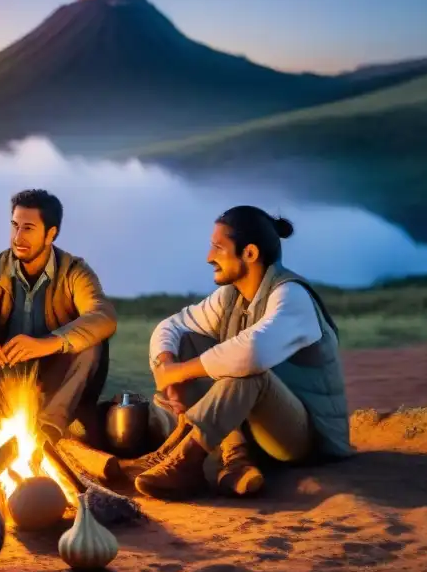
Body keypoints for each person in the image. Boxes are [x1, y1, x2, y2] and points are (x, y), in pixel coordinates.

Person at [132, 205, 354, 501]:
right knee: (188, 342)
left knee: (248, 370)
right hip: (258, 431)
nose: (209, 257)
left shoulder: (291, 296)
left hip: (306, 439)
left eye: (218, 247)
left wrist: (181, 372)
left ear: (249, 253)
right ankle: (236, 460)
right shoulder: (231, 297)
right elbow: (173, 326)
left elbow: (252, 353)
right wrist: (166, 365)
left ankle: (186, 462)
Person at [0, 189, 117, 459]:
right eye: (15, 226)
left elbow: (103, 315)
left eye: (28, 228)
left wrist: (49, 343)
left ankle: (48, 433)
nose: (18, 238)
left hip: (52, 383)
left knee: (92, 344)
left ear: (51, 234)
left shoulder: (74, 271)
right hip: (1, 378)